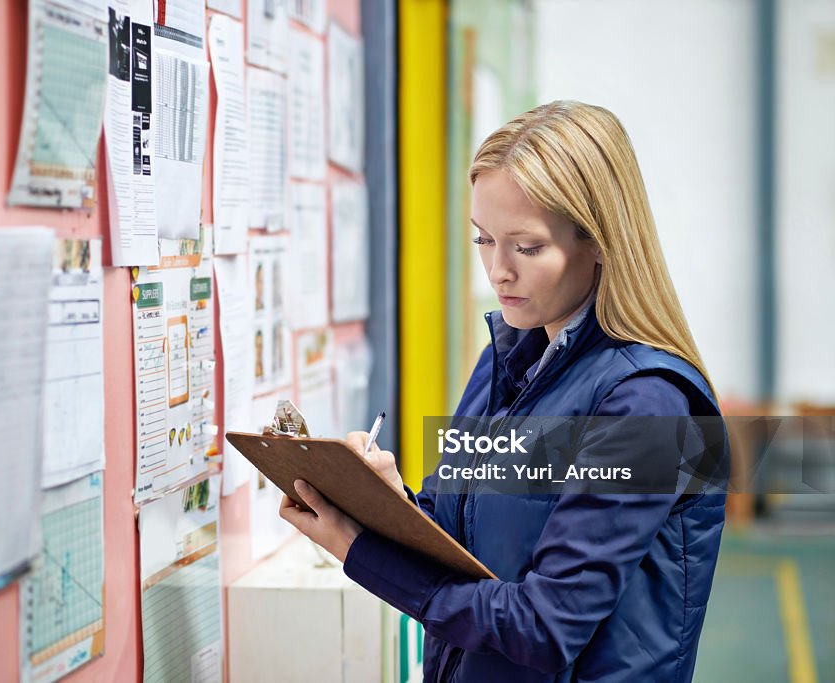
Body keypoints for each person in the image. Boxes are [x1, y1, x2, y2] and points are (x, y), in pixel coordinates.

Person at [279, 101, 729, 682]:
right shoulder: (506, 357)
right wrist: (388, 504)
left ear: (598, 242)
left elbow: (546, 626)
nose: (497, 271)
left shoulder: (647, 405)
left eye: (527, 246)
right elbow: (470, 552)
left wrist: (358, 552)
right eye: (483, 240)